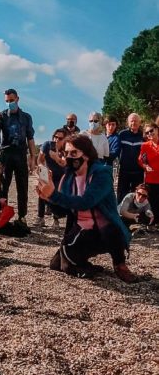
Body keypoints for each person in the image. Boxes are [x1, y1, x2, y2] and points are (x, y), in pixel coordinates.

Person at [36, 134, 137, 283]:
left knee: (109, 230)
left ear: (87, 155)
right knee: (57, 265)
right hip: (81, 228)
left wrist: (54, 195)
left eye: (74, 153)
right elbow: (62, 211)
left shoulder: (101, 174)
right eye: (67, 153)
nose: (69, 157)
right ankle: (86, 265)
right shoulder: (68, 177)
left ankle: (119, 264)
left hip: (104, 230)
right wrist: (48, 198)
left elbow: (86, 202)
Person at [0, 88, 37, 228]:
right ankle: (2, 214)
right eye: (7, 101)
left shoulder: (26, 117)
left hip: (21, 154)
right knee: (4, 186)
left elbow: (31, 138)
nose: (10, 103)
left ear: (17, 99)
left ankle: (22, 217)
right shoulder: (2, 116)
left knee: (23, 187)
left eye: (12, 100)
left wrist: (33, 158)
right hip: (6, 154)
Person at [35, 128, 67, 228]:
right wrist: (42, 169)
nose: (57, 140)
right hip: (48, 173)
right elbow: (39, 160)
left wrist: (56, 158)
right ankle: (40, 217)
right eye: (55, 137)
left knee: (56, 194)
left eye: (60, 138)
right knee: (42, 191)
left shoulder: (66, 149)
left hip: (61, 176)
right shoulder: (47, 145)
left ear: (64, 139)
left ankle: (55, 219)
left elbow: (64, 163)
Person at [117, 113, 145, 202]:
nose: (134, 123)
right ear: (128, 122)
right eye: (131, 121)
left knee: (136, 196)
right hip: (124, 171)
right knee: (122, 195)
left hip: (138, 172)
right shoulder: (122, 134)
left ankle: (134, 215)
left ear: (140, 122)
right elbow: (117, 150)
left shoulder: (143, 136)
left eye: (136, 121)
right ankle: (120, 214)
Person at [138, 122, 159, 223]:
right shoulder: (145, 146)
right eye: (147, 133)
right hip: (150, 179)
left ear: (157, 129)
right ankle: (153, 222)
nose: (149, 134)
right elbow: (140, 160)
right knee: (152, 202)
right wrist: (145, 166)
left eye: (151, 131)